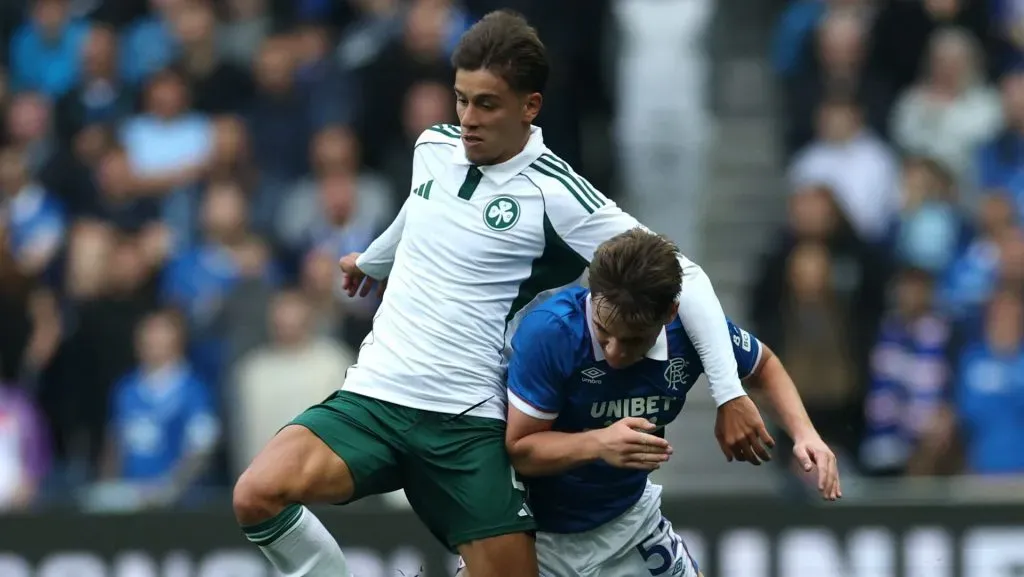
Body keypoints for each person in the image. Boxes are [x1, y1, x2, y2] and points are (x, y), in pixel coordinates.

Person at [232, 10, 772, 577]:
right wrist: (372, 259)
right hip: (375, 397)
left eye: (487, 104)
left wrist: (730, 393)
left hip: (465, 422)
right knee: (257, 494)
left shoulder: (557, 195)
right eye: (461, 99)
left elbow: (689, 276)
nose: (468, 119)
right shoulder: (432, 146)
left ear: (529, 106)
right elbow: (420, 206)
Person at [458, 229, 841, 577]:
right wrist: (599, 443)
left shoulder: (692, 331)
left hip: (629, 526)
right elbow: (521, 450)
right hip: (532, 534)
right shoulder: (552, 333)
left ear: (670, 313)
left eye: (632, 340)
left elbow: (765, 366)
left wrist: (805, 434)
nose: (613, 352)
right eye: (604, 331)